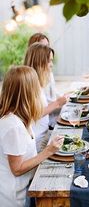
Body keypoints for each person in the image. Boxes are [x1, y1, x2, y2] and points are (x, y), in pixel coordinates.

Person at [0, 66, 64, 207]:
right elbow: (17, 169)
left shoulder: (20, 117)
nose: (38, 92)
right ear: (27, 93)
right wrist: (48, 151)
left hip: (23, 189)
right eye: (36, 89)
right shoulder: (12, 126)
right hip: (12, 198)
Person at [24, 43, 67, 151]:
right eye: (49, 61)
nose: (51, 64)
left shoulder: (37, 82)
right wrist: (58, 103)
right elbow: (33, 114)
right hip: (37, 142)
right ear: (39, 62)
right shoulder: (29, 85)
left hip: (44, 134)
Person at [28, 32, 59, 129]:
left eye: (47, 46)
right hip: (43, 129)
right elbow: (35, 113)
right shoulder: (30, 81)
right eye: (42, 46)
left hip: (47, 124)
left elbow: (53, 96)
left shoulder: (45, 74)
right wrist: (59, 103)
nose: (46, 49)